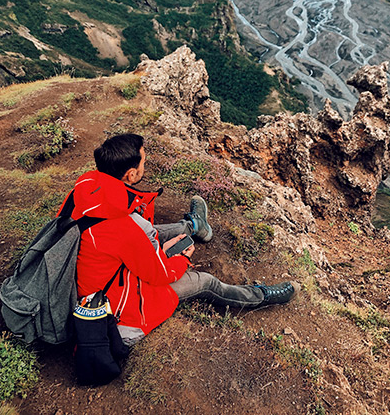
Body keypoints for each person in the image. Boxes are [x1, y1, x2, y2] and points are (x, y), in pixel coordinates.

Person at [59, 133, 299, 346]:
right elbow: (158, 273)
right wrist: (182, 258)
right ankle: (261, 296)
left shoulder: (86, 192)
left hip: (97, 277)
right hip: (118, 310)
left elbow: (129, 236)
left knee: (151, 231)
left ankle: (195, 225)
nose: (146, 164)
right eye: (144, 161)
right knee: (206, 282)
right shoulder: (124, 229)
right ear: (131, 174)